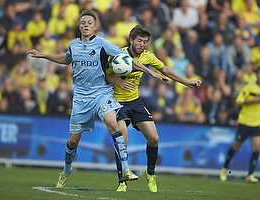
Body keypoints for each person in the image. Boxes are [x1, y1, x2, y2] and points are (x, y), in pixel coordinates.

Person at [26, 10, 167, 190]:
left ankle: (125, 170)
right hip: (81, 98)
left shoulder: (102, 44)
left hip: (101, 93)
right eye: (83, 22)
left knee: (113, 124)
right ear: (79, 25)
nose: (86, 25)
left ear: (95, 26)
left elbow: (127, 60)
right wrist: (43, 55)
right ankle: (66, 171)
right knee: (73, 142)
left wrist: (150, 72)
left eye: (89, 23)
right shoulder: (73, 45)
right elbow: (65, 59)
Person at [106, 25, 202, 192]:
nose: (142, 44)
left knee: (154, 138)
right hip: (116, 102)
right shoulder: (118, 54)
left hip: (135, 102)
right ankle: (122, 181)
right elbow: (105, 75)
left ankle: (150, 173)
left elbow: (165, 69)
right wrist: (118, 81)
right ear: (131, 40)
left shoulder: (148, 56)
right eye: (139, 41)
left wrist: (187, 82)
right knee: (124, 139)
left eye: (145, 41)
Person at [219, 67, 260, 183]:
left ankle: (250, 175)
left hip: (257, 124)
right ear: (257, 75)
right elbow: (239, 100)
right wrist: (254, 100)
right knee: (236, 146)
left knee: (257, 147)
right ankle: (225, 168)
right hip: (245, 122)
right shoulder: (250, 87)